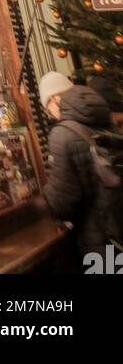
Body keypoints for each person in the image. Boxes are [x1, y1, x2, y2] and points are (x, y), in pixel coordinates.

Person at [39, 71, 122, 260]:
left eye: (47, 107)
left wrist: (45, 195)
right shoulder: (104, 119)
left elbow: (63, 202)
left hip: (101, 241)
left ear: (55, 99)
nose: (50, 114)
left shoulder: (62, 133)